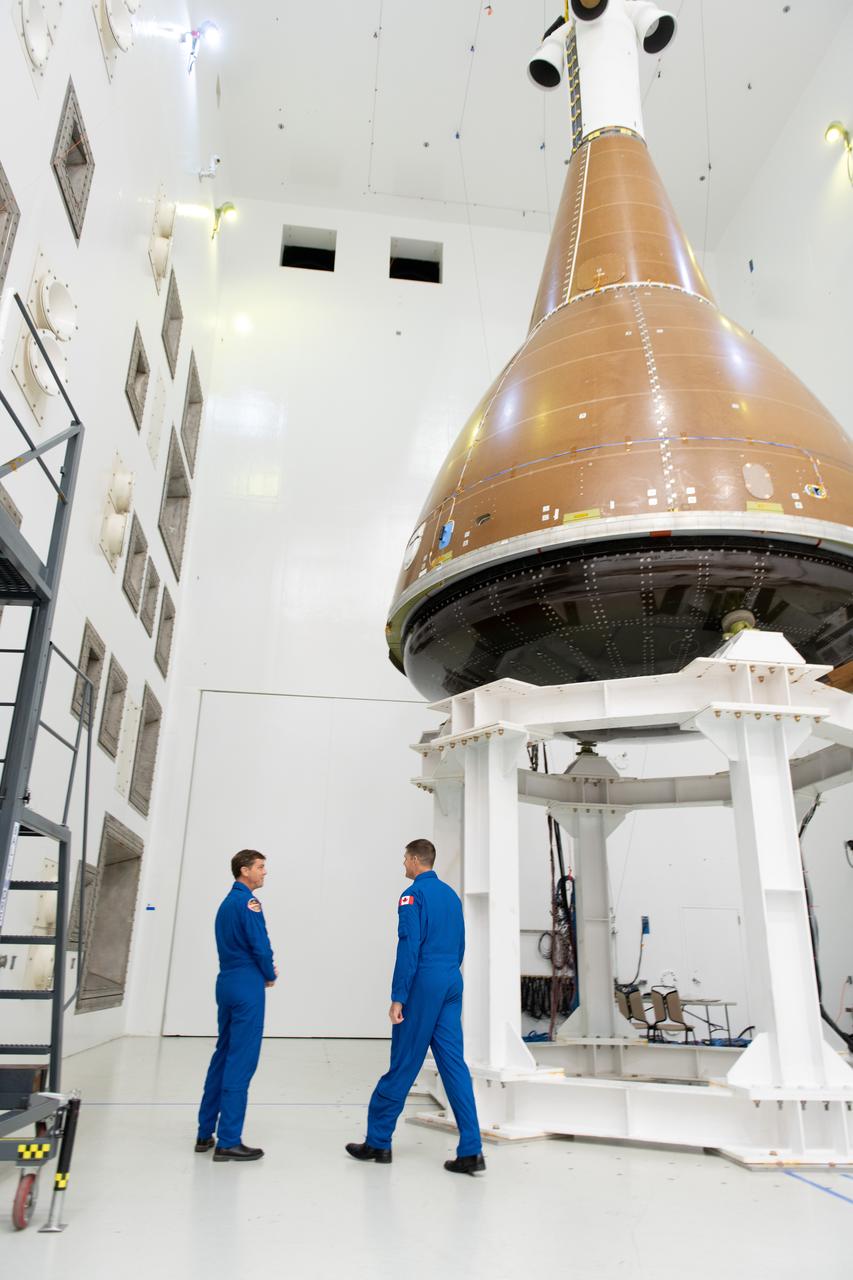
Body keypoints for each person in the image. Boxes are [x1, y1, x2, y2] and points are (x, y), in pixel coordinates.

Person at [346, 838, 485, 1175]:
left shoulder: (412, 896)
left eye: (405, 859)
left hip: (424, 982)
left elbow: (409, 947)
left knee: (404, 1061)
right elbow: (461, 942)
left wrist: (399, 995)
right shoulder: (451, 896)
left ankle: (378, 1142)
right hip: (451, 979)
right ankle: (471, 1149)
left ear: (413, 859)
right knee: (454, 1066)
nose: (404, 865)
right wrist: (447, 974)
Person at [196, 849, 277, 1162]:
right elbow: (260, 943)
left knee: (223, 1054)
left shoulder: (226, 904)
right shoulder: (249, 903)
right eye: (260, 867)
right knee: (241, 1060)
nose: (264, 872)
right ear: (245, 871)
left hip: (226, 981)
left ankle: (205, 1132)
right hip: (247, 985)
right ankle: (229, 1140)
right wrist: (269, 973)